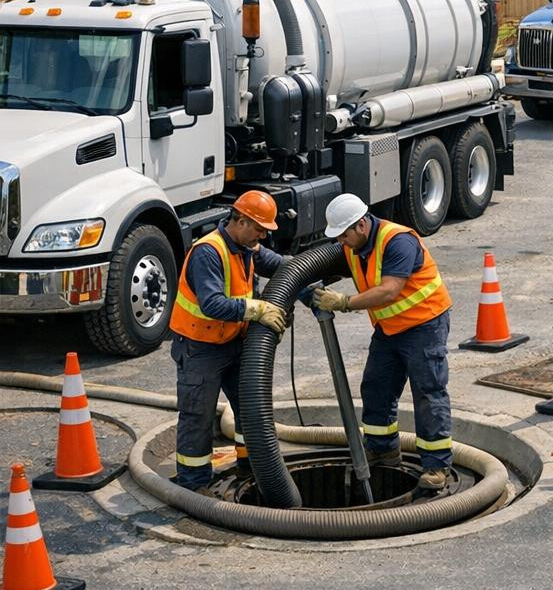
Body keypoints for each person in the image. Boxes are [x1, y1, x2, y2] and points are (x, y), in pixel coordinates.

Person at [309, 194, 455, 494]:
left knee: (428, 392)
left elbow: (389, 291)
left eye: (344, 235)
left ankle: (436, 465)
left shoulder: (398, 241)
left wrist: (345, 302)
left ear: (361, 225)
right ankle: (382, 448)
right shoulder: (354, 246)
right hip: (390, 328)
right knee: (377, 385)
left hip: (424, 324)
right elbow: (323, 265)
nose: (341, 243)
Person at [169, 191, 287, 492]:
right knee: (199, 416)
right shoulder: (209, 252)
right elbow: (212, 304)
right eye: (259, 228)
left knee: (250, 406)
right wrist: (257, 309)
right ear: (241, 221)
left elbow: (282, 268)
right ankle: (193, 486)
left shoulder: (247, 246)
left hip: (232, 342)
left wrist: (313, 290)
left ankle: (251, 466)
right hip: (200, 348)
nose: (262, 236)